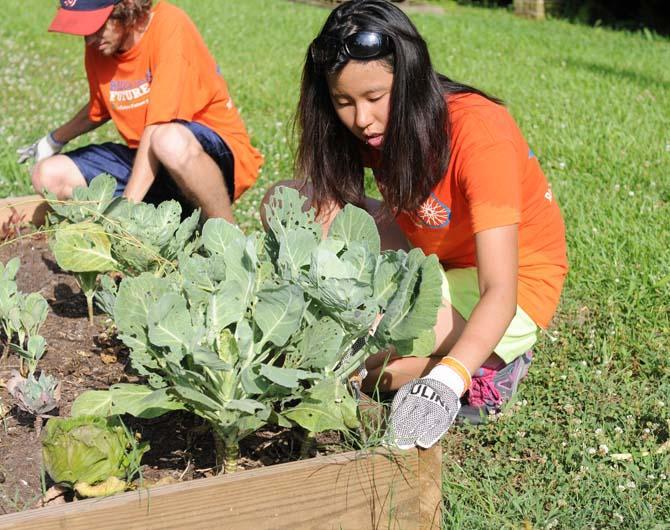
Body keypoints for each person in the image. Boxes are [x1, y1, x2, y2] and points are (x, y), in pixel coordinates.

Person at [264, 0, 568, 449]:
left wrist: (445, 382)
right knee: (285, 200)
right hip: (431, 257)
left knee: (357, 353)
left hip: (511, 283)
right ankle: (433, 356)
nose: (361, 120)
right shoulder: (372, 128)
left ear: (409, 78)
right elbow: (333, 206)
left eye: (374, 98)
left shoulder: (481, 132)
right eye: (343, 101)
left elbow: (499, 291)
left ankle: (481, 368)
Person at [18, 0, 263, 221]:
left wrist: (127, 208)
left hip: (210, 158)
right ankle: (165, 227)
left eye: (96, 26)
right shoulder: (99, 47)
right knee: (48, 175)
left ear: (125, 8)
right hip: (152, 162)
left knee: (167, 140)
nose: (89, 39)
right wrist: (54, 140)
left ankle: (227, 237)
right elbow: (101, 104)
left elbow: (158, 124)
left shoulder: (169, 24)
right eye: (83, 31)